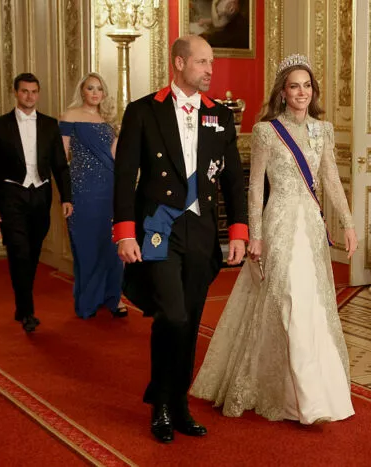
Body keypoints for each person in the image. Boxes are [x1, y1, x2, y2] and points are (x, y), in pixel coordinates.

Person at [190, 54, 359, 425]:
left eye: (307, 86)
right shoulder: (267, 131)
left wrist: (348, 224)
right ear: (283, 92)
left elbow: (331, 180)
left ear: (313, 91)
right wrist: (256, 235)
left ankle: (315, 396)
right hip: (278, 223)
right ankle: (299, 397)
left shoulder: (323, 130)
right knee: (287, 299)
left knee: (311, 304)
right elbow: (254, 188)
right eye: (294, 86)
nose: (302, 92)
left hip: (310, 227)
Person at [113, 35, 248, 443]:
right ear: (179, 63)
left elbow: (232, 180)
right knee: (171, 315)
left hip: (201, 232)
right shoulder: (143, 111)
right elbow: (125, 176)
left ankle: (179, 404)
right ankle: (161, 403)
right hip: (159, 230)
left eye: (211, 63)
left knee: (189, 320)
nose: (210, 70)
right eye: (202, 62)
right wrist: (125, 232)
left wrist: (238, 231)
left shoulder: (219, 116)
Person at [0, 73, 73, 333]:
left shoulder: (49, 125)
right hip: (11, 195)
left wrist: (66, 197)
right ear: (16, 93)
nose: (29, 96)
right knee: (19, 251)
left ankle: (22, 302)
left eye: (34, 91)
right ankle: (27, 310)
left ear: (38, 94)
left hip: (40, 196)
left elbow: (60, 165)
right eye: (24, 91)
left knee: (32, 253)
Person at [59, 73, 127, 319]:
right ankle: (88, 300)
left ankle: (113, 297)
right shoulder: (69, 116)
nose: (95, 92)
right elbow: (60, 157)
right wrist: (65, 195)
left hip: (109, 187)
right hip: (82, 189)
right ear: (82, 91)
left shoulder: (107, 121)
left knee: (111, 244)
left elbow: (115, 156)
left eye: (99, 88)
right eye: (90, 88)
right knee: (86, 245)